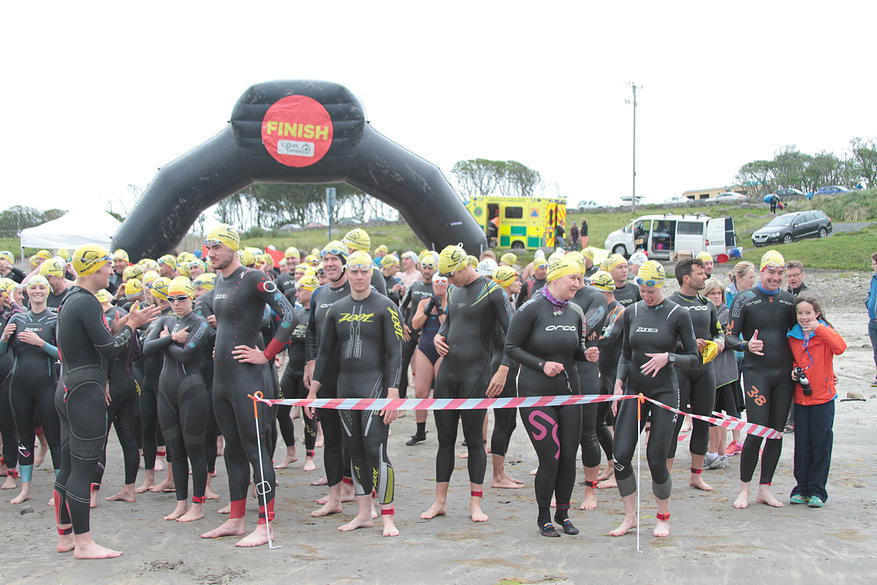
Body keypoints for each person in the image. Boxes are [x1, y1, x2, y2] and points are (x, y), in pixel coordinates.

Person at [53, 244, 159, 559]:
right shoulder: (85, 302)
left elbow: (96, 339)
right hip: (85, 391)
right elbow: (111, 349)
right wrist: (131, 326)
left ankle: (65, 537)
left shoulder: (72, 299)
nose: (111, 271)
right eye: (107, 266)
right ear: (95, 270)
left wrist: (125, 320)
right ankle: (84, 543)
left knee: (69, 465)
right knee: (83, 468)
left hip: (69, 386)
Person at [199, 224, 296, 547]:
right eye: (208, 248)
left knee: (256, 450)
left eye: (217, 248)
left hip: (247, 379)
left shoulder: (253, 278)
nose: (211, 254)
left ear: (233, 248)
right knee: (232, 450)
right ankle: (236, 519)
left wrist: (266, 354)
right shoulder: (220, 280)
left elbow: (289, 314)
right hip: (222, 379)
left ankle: (265, 525)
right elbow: (226, 325)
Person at [308, 250, 402, 537]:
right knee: (355, 452)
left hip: (374, 389)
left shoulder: (385, 306)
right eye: (354, 271)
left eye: (364, 271)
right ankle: (363, 513)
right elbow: (324, 355)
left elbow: (395, 353)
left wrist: (393, 393)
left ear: (371, 273)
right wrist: (313, 391)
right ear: (346, 274)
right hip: (346, 390)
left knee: (377, 451)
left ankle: (387, 516)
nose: (359, 277)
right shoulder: (337, 309)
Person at [505, 255, 599, 537]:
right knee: (551, 456)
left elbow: (575, 348)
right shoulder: (531, 308)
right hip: (536, 391)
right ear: (556, 277)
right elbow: (510, 347)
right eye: (573, 278)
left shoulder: (575, 311)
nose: (578, 284)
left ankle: (564, 514)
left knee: (569, 455)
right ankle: (544, 517)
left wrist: (586, 354)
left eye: (580, 279)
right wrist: (541, 365)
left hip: (570, 389)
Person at [421, 244, 513, 523]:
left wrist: (503, 371)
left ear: (464, 266)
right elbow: (451, 323)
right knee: (444, 441)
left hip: (477, 373)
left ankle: (475, 503)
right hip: (449, 373)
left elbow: (512, 337)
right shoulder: (452, 290)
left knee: (474, 440)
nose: (448, 280)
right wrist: (439, 335)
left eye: (452, 274)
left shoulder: (493, 292)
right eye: (445, 276)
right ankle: (440, 501)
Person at [610, 261, 699, 538]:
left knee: (656, 458)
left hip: (664, 392)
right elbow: (625, 354)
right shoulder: (632, 312)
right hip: (635, 392)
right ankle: (630, 517)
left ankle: (663, 517)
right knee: (621, 456)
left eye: (651, 290)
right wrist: (618, 383)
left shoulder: (678, 313)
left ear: (660, 286)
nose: (646, 296)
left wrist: (668, 358)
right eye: (643, 290)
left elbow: (695, 359)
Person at [728, 250, 797, 510]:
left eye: (780, 273)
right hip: (757, 373)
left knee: (776, 433)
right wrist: (747, 344)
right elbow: (729, 338)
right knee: (757, 430)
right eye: (771, 272)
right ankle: (744, 489)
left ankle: (764, 489)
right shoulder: (744, 300)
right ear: (761, 271)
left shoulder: (788, 301)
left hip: (782, 375)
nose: (776, 277)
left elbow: (799, 336)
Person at [142, 276, 215, 522]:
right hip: (166, 391)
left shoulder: (201, 323)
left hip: (192, 390)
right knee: (175, 448)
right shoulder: (165, 320)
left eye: (181, 298)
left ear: (191, 298)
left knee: (195, 448)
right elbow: (145, 349)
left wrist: (163, 342)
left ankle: (198, 505)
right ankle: (181, 503)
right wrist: (171, 339)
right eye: (171, 299)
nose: (176, 303)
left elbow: (186, 356)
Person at [0, 276, 61, 505]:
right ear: (26, 292)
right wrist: (4, 338)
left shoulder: (55, 319)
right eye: (33, 287)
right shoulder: (17, 318)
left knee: (54, 436)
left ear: (47, 291)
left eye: (41, 287)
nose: (37, 291)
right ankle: (25, 489)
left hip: (46, 384)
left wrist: (40, 344)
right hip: (19, 387)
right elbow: (1, 351)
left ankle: (58, 488)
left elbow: (63, 354)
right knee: (24, 436)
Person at [666, 258, 725, 491]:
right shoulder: (670, 304)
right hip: (679, 370)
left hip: (705, 369)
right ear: (686, 278)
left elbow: (719, 331)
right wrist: (687, 343)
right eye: (700, 273)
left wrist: (718, 343)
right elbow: (663, 339)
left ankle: (696, 475)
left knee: (703, 420)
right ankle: (666, 475)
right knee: (674, 422)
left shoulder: (707, 304)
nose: (705, 277)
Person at [787, 294, 846, 508]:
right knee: (802, 444)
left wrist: (818, 328)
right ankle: (801, 487)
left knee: (821, 444)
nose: (804, 317)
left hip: (824, 398)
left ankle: (817, 490)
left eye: (808, 313)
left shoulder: (824, 332)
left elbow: (840, 347)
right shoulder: (792, 336)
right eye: (800, 313)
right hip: (801, 399)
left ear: (817, 313)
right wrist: (793, 371)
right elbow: (792, 360)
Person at [91, 290, 141, 505]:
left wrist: (105, 382)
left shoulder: (107, 319)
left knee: (99, 440)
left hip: (112, 384)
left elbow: (105, 352)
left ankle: (92, 494)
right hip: (130, 382)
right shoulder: (127, 316)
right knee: (129, 438)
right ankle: (129, 489)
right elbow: (139, 351)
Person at [276, 275, 319, 472]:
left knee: (308, 413)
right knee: (280, 410)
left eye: (301, 289)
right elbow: (284, 339)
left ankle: (310, 455)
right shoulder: (296, 313)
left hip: (308, 374)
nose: (297, 293)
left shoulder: (317, 314)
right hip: (291, 370)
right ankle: (291, 452)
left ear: (311, 291)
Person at [487, 266, 524, 489]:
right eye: (516, 279)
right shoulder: (499, 305)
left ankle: (501, 472)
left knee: (510, 422)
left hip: (506, 368)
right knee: (503, 422)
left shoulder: (505, 303)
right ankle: (497, 476)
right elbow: (507, 342)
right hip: (500, 368)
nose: (519, 282)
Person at [590, 271, 625, 488]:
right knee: (596, 423)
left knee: (619, 425)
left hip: (616, 374)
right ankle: (612, 465)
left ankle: (618, 473)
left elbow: (609, 340)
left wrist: (585, 340)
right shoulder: (600, 310)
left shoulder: (619, 312)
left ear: (604, 291)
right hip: (602, 373)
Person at [702, 278, 738, 470]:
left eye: (718, 293)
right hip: (710, 369)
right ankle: (718, 452)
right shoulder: (704, 311)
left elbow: (727, 340)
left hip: (724, 371)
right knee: (714, 415)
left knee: (718, 414)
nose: (716, 297)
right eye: (712, 293)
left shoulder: (727, 314)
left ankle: (715, 452)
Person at [398, 252, 437, 402]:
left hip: (428, 333)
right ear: (421, 268)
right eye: (425, 267)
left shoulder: (438, 287)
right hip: (410, 331)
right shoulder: (415, 285)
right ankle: (401, 397)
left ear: (435, 269)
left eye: (430, 268)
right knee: (401, 364)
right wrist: (401, 324)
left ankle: (432, 396)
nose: (427, 271)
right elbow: (401, 307)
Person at [868, 252, 877, 387]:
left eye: (875, 263)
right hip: (873, 320)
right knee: (876, 351)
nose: (873, 266)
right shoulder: (873, 279)